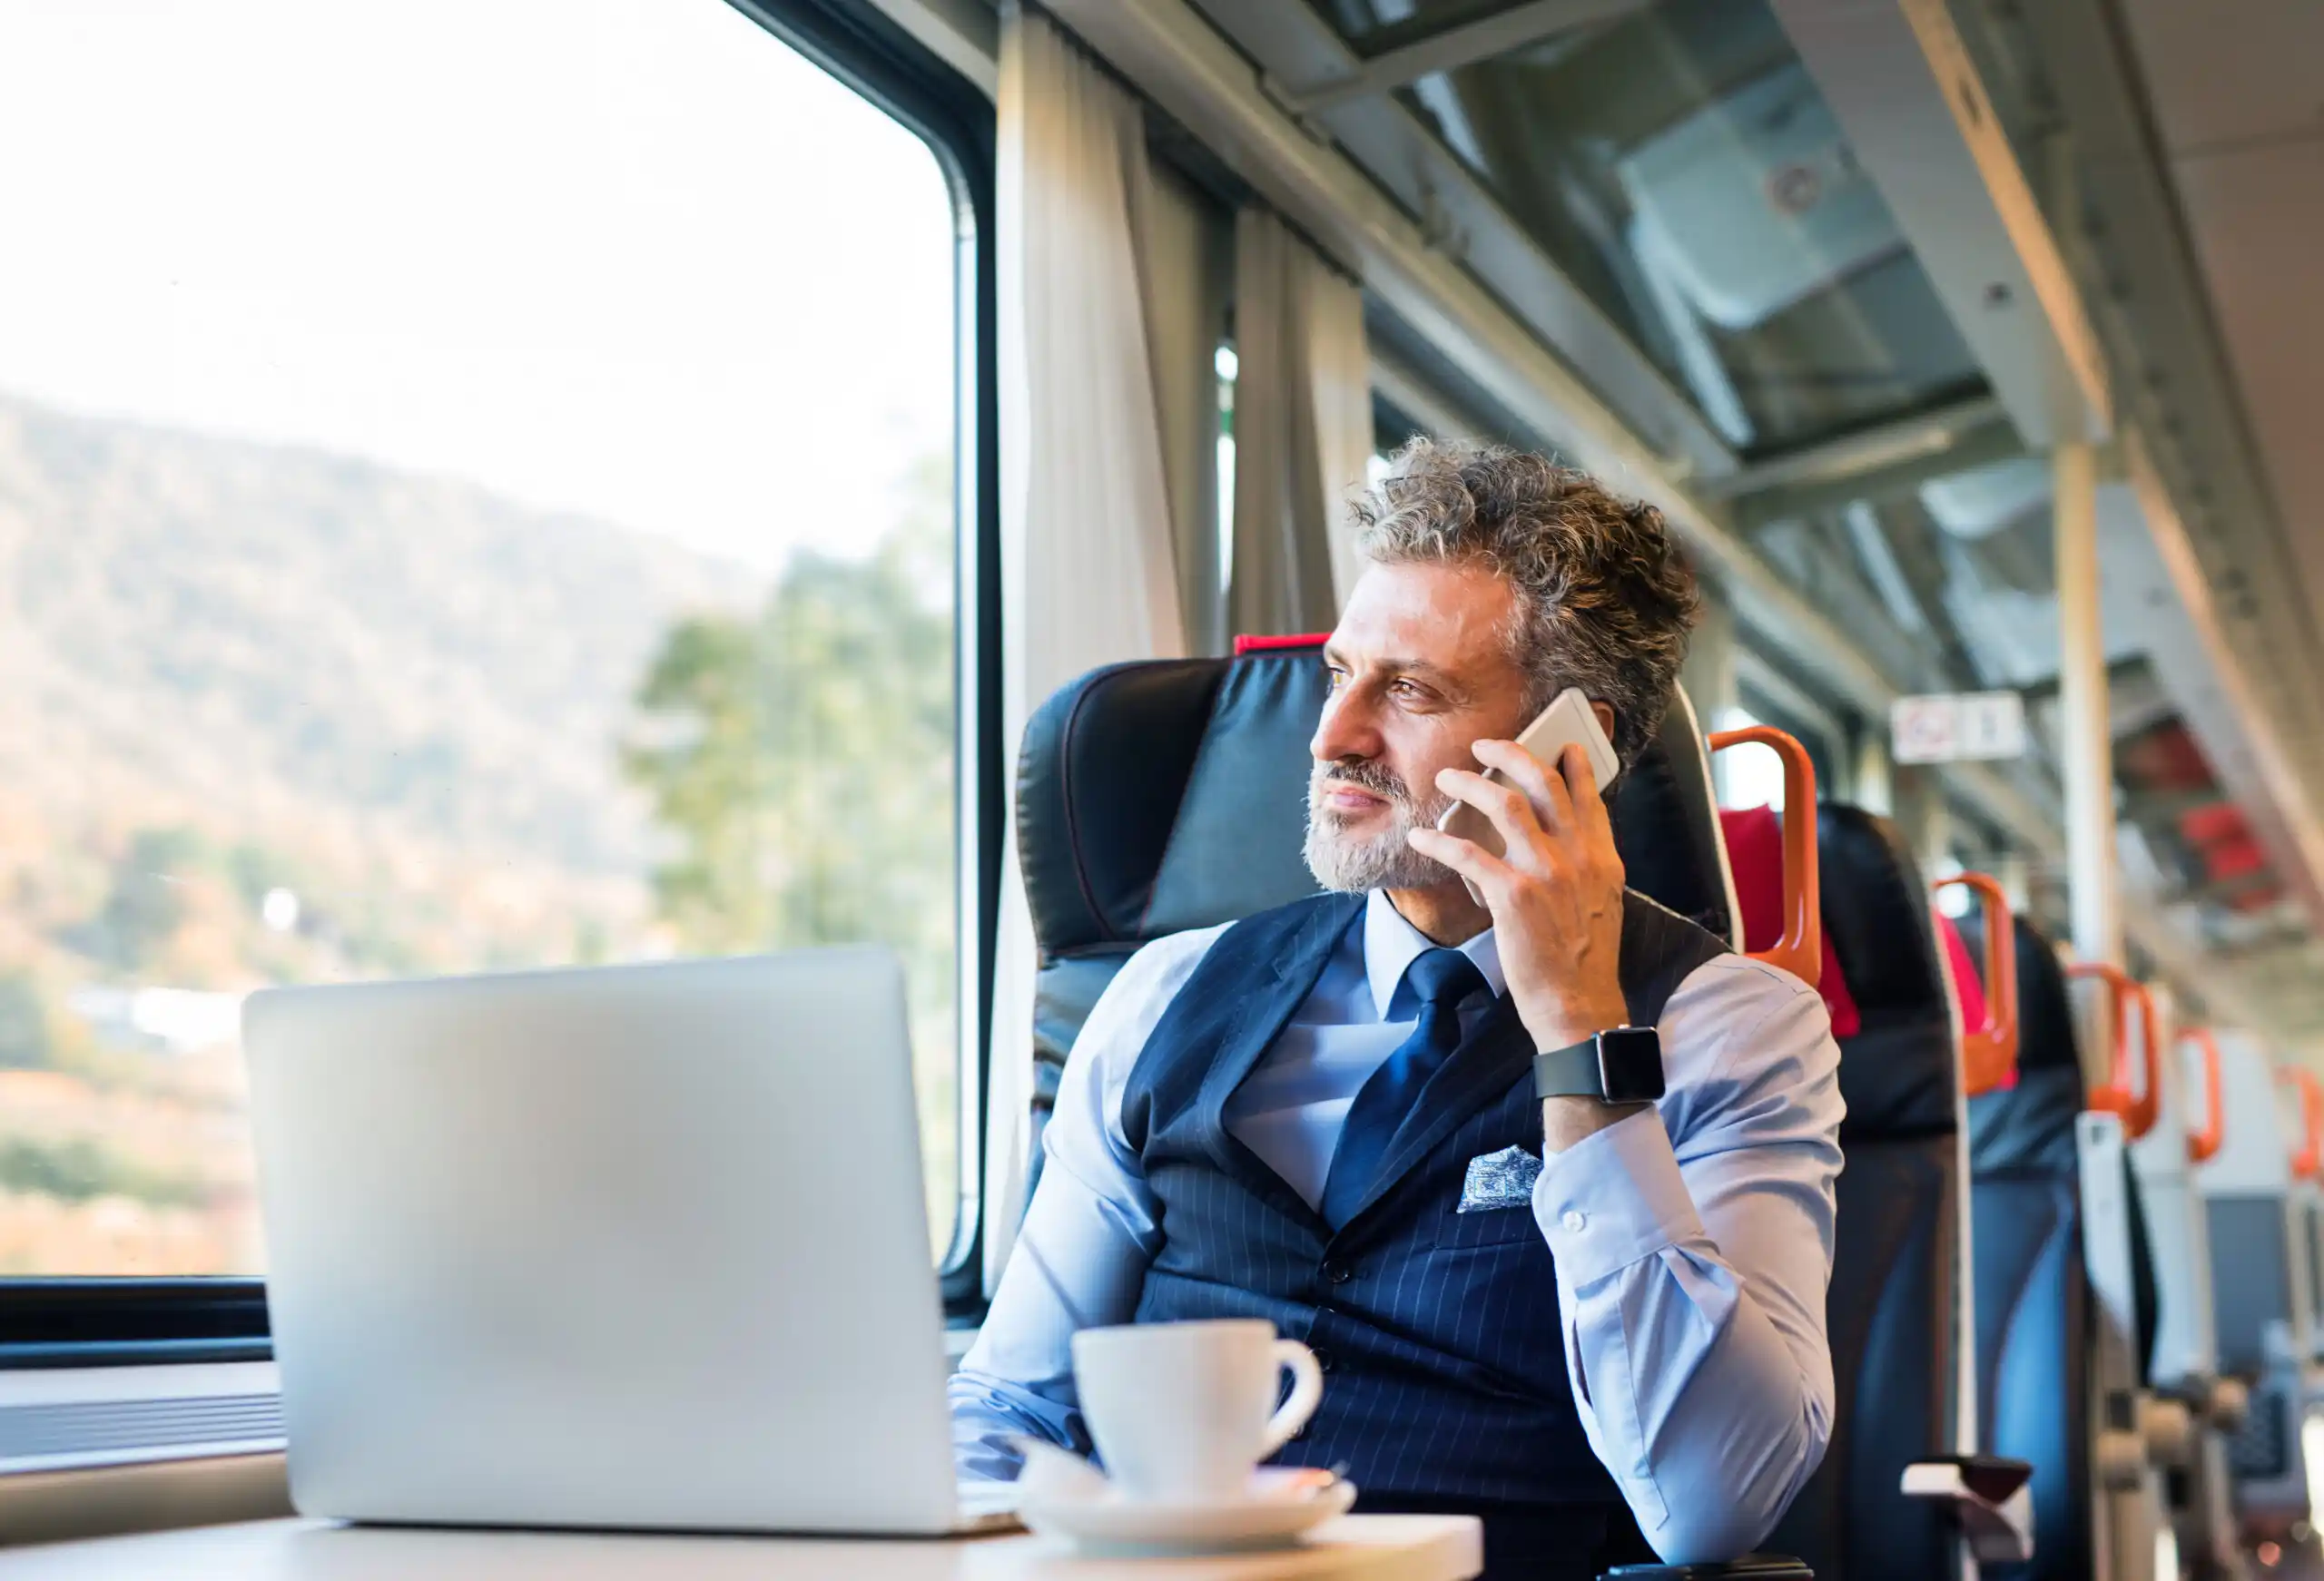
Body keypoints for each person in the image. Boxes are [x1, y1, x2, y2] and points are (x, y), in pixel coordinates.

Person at [952, 438, 1844, 1576]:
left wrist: (1579, 1036)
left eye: (1410, 690)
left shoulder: (1733, 1028)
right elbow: (1010, 1402)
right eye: (1340, 675)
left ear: (1576, 750)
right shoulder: (1165, 991)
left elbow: (1716, 1502)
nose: (1332, 735)